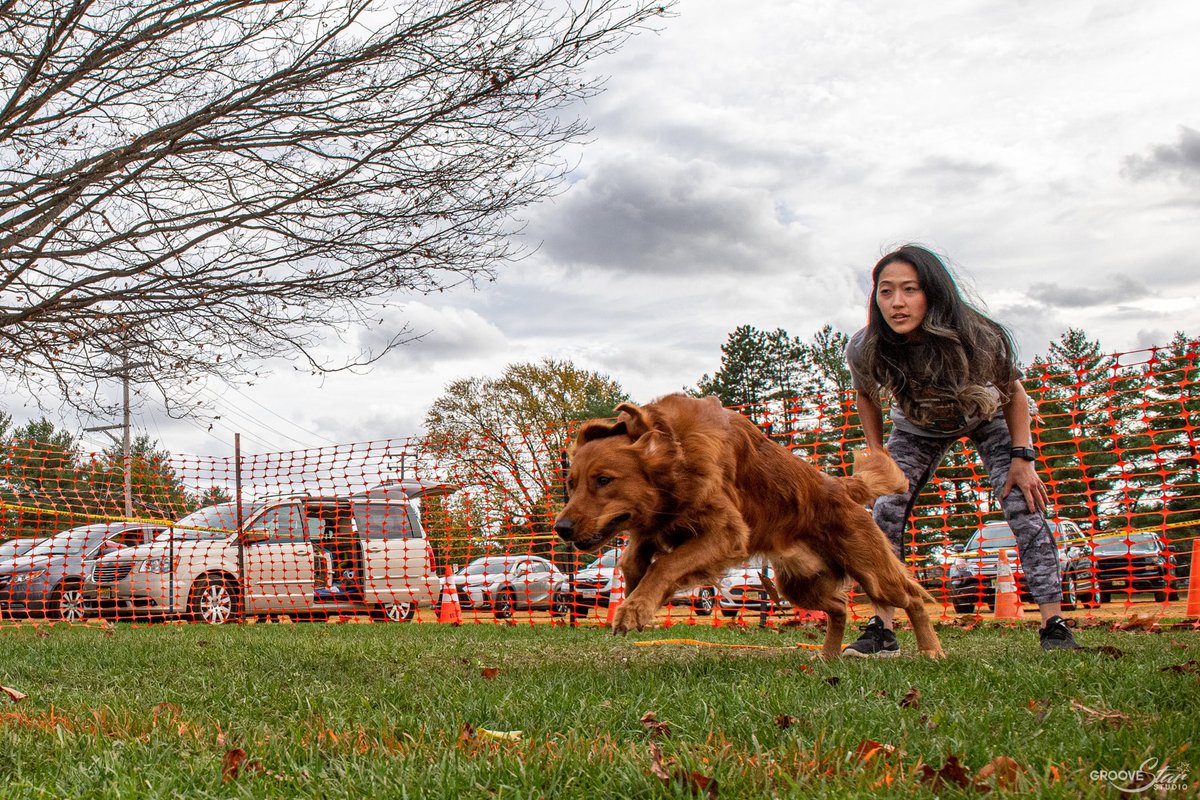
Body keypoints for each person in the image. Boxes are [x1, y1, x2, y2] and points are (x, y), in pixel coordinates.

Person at [842, 244, 1079, 655]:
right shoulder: (865, 345)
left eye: (910, 290)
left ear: (932, 293)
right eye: (885, 291)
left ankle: (1054, 624)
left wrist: (1023, 459)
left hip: (987, 416)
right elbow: (867, 396)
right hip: (917, 428)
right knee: (884, 511)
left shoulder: (978, 336)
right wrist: (876, 452)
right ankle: (881, 629)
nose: (897, 303)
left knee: (1023, 503)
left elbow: (1014, 394)